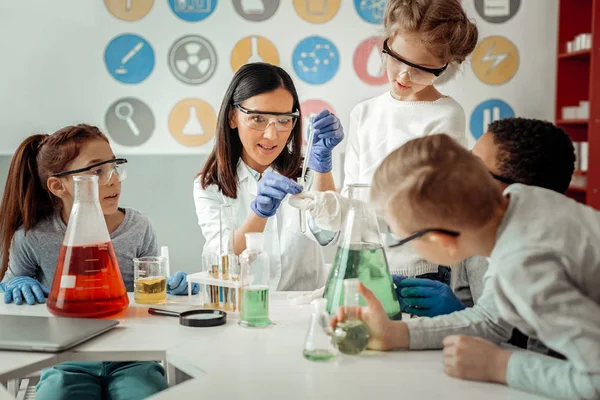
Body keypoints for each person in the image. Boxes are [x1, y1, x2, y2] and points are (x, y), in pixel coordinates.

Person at [332, 134, 599, 399]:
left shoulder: (524, 266)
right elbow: (492, 320)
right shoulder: (518, 200)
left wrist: (499, 366)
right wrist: (396, 334)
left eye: (403, 238)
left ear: (443, 241)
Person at [0, 124, 195, 399]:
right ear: (59, 185)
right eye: (97, 171)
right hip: (67, 356)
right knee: (57, 393)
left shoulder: (137, 226)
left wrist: (169, 287)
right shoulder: (33, 236)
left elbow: (149, 285)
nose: (113, 180)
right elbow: (11, 282)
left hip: (132, 351)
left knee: (144, 392)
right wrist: (16, 282)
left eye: (114, 167)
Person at [312, 0, 478, 284]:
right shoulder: (364, 112)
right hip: (361, 262)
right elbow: (352, 202)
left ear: (445, 66)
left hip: (418, 269)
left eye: (422, 68)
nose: (403, 75)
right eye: (397, 58)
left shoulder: (446, 115)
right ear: (387, 40)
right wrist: (321, 180)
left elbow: (432, 209)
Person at [394, 118, 576, 318]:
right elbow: (473, 318)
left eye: (476, 169)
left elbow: (545, 347)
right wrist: (456, 314)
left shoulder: (555, 260)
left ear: (517, 192)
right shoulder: (480, 231)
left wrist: (462, 315)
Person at [194, 63, 341, 291]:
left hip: (302, 309)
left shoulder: (309, 172)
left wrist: (322, 167)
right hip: (244, 308)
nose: (271, 135)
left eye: (283, 120)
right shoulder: (210, 185)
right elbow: (224, 258)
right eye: (258, 119)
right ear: (233, 117)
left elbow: (327, 233)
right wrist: (259, 213)